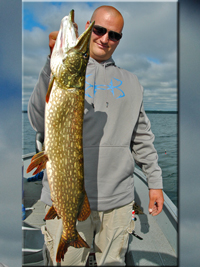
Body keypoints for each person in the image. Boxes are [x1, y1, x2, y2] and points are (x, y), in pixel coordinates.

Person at [28, 5, 164, 266]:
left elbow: (142, 137)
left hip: (119, 201)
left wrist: (155, 182)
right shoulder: (61, 72)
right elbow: (37, 120)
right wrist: (50, 64)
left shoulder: (133, 82)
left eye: (114, 35)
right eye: (99, 30)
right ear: (89, 27)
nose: (105, 39)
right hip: (67, 200)